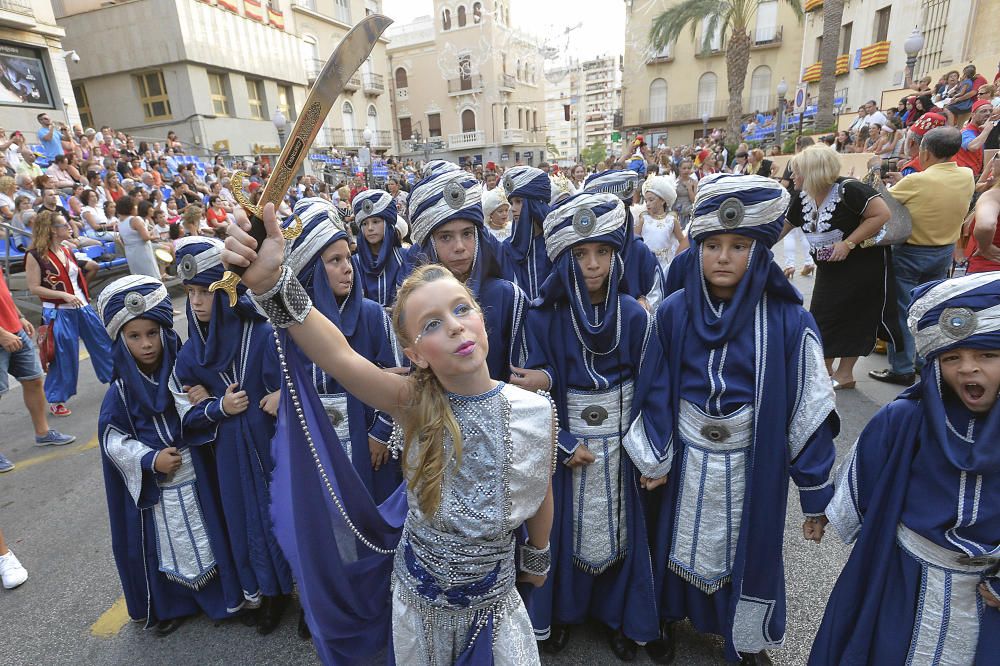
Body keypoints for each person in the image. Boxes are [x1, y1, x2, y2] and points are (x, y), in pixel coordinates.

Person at [223, 197, 556, 663]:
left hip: (494, 606)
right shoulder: (413, 401)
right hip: (419, 607)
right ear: (415, 353)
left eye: (462, 309)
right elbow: (339, 355)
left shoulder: (535, 409)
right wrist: (273, 283)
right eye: (433, 324)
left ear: (482, 318)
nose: (456, 327)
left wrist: (537, 556)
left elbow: (539, 490)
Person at [643, 173, 838, 665]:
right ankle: (667, 617)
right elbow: (655, 387)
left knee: (747, 550)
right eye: (712, 244)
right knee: (670, 539)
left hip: (752, 458)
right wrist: (655, 454)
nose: (723, 257)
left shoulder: (789, 321)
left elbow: (809, 407)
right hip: (685, 456)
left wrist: (815, 495)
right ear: (698, 248)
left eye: (739, 244)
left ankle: (745, 637)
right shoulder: (673, 312)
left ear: (762, 251)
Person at [811, 273, 1000, 665]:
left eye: (987, 355)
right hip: (905, 574)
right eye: (952, 358)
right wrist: (825, 510)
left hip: (990, 590)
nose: (968, 369)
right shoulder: (907, 416)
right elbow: (866, 466)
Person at [525, 192, 671, 659]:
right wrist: (562, 443)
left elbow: (655, 387)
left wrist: (650, 452)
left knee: (624, 534)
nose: (592, 264)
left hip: (621, 446)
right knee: (561, 532)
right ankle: (563, 616)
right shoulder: (543, 316)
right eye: (581, 253)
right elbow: (531, 390)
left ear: (616, 254)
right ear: (565, 257)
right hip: (565, 447)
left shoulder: (634, 315)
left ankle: (616, 617)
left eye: (602, 252)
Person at [95, 275, 244, 635]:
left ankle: (223, 598)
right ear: (121, 340)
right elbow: (113, 440)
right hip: (157, 486)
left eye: (152, 333)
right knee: (165, 544)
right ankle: (171, 605)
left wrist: (207, 398)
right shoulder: (120, 392)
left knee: (211, 532)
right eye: (134, 336)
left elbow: (203, 412)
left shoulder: (183, 371)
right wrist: (149, 460)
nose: (146, 344)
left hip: (197, 476)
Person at [173, 236, 292, 634]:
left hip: (270, 445)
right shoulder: (190, 353)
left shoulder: (259, 333)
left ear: (226, 289)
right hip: (228, 454)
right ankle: (268, 594)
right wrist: (215, 407)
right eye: (190, 293)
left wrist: (280, 394)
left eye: (205, 291)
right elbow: (184, 413)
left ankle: (303, 596)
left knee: (283, 517)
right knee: (245, 523)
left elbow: (293, 378)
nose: (197, 302)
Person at [285, 197, 405, 505]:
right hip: (316, 445)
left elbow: (400, 377)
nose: (347, 269)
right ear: (310, 269)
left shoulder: (372, 314)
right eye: (334, 261)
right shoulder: (290, 326)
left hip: (368, 445)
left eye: (348, 258)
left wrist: (380, 434)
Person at [783, 145, 899, 390]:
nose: (792, 176)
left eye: (797, 171)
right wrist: (752, 243)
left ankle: (841, 374)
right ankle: (825, 371)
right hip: (830, 268)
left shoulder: (849, 189)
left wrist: (848, 243)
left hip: (861, 266)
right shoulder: (804, 195)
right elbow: (784, 226)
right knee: (824, 316)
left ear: (813, 171)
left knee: (852, 318)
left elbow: (881, 214)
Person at [870, 127, 976, 386]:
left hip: (911, 252)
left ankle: (901, 367)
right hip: (943, 253)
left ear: (926, 152)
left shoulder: (916, 181)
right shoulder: (967, 174)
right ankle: (922, 359)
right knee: (928, 309)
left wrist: (881, 175)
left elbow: (879, 202)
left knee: (902, 311)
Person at [405, 168, 531, 383]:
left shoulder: (508, 297)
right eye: (446, 237)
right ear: (430, 244)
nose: (460, 247)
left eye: (467, 234)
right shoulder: (413, 305)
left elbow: (523, 373)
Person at [24, 210, 113, 416]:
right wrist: (62, 295)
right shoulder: (35, 255)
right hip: (58, 312)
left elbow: (79, 275)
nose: (70, 227)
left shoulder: (66, 249)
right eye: (65, 225)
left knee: (102, 343)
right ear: (53, 230)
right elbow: (34, 287)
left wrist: (80, 294)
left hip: (81, 306)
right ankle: (57, 398)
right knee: (63, 355)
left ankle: (117, 379)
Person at [0, 264, 76, 463]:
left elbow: (3, 292)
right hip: (3, 334)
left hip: (15, 330)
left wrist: (20, 317)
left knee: (33, 380)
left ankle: (43, 433)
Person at [583, 170, 666, 312]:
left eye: (618, 214)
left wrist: (642, 305)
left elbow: (656, 296)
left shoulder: (639, 251)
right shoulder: (576, 251)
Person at [503, 166, 552, 299]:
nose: (512, 209)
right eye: (511, 203)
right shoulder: (507, 248)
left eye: (519, 202)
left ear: (535, 203)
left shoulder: (556, 243)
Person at [352, 189, 406, 308]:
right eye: (365, 224)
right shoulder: (354, 262)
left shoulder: (405, 257)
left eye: (376, 222)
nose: (370, 228)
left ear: (387, 224)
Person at [637, 175, 686, 273]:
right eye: (646, 200)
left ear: (663, 200)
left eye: (651, 200)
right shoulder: (643, 219)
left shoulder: (671, 220)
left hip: (665, 265)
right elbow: (635, 241)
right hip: (647, 263)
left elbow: (683, 242)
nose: (647, 203)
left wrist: (677, 258)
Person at [115, 195, 160, 279]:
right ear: (130, 207)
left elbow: (123, 239)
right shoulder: (135, 220)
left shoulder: (119, 222)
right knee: (151, 276)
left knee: (139, 278)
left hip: (130, 252)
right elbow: (145, 237)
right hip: (142, 250)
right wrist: (154, 236)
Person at [956, 100, 999, 179]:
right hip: (964, 176)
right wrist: (987, 129)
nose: (988, 114)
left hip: (975, 174)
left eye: (990, 111)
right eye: (983, 111)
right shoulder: (965, 132)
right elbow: (973, 147)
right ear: (973, 115)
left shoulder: (982, 131)